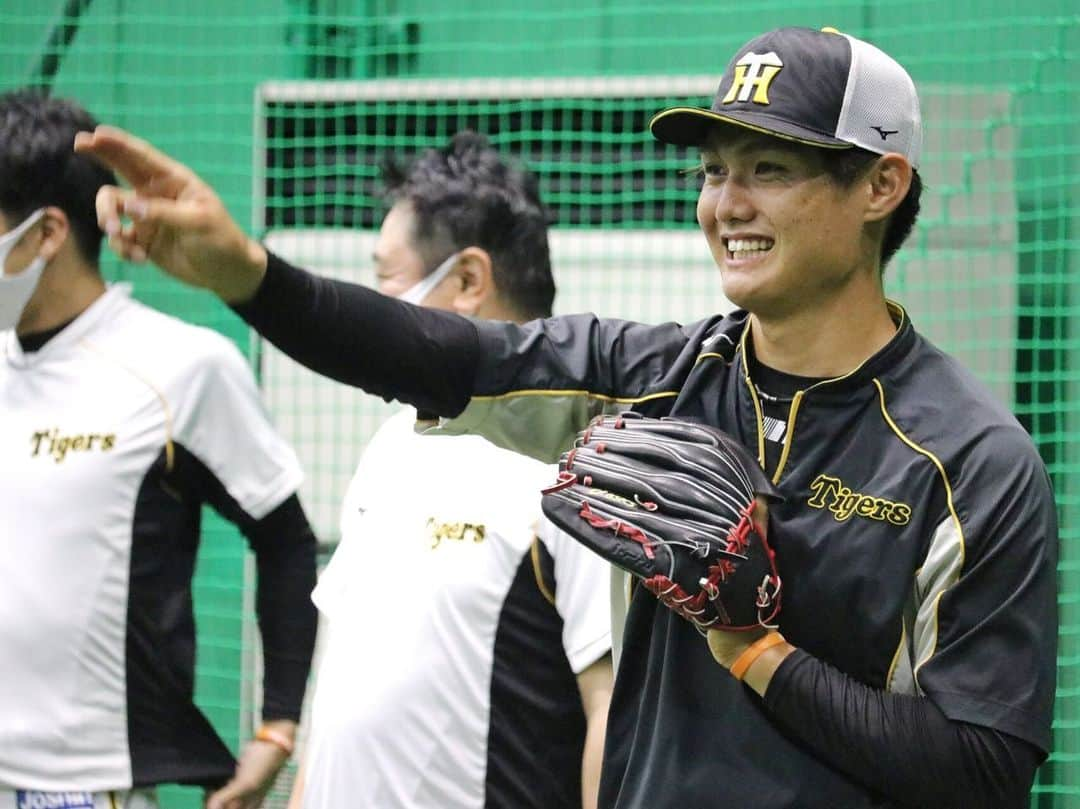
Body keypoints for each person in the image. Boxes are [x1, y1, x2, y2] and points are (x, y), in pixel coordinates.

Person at [77, 25, 1058, 808]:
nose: (726, 201)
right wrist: (252, 277)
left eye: (769, 168)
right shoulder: (660, 377)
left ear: (881, 184)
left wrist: (757, 649)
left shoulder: (970, 458)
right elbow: (450, 356)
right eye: (715, 168)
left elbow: (984, 762)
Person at [0, 89, 318, 809]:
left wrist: (276, 729)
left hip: (86, 789)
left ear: (47, 233)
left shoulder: (181, 367)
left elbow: (285, 536)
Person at [285, 132, 614, 809]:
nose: (370, 304)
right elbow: (337, 687)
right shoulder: (391, 441)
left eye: (385, 278)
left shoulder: (581, 462)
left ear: (467, 280)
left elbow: (608, 708)